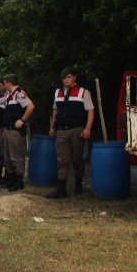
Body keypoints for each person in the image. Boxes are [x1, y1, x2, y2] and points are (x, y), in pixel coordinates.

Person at [47, 67, 95, 198]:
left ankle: (78, 184)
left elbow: (90, 110)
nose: (66, 80)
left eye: (68, 77)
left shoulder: (83, 92)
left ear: (74, 77)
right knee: (61, 159)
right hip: (62, 130)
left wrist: (88, 128)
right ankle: (61, 189)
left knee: (77, 158)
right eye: (64, 78)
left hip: (77, 130)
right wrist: (52, 127)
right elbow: (55, 111)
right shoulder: (58, 92)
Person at [0, 74, 35, 192]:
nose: (4, 85)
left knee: (16, 157)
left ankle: (19, 182)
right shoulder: (11, 95)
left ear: (9, 83)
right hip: (8, 130)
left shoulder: (19, 93)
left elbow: (31, 106)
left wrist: (22, 120)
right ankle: (12, 179)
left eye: (4, 83)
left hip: (16, 131)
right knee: (8, 156)